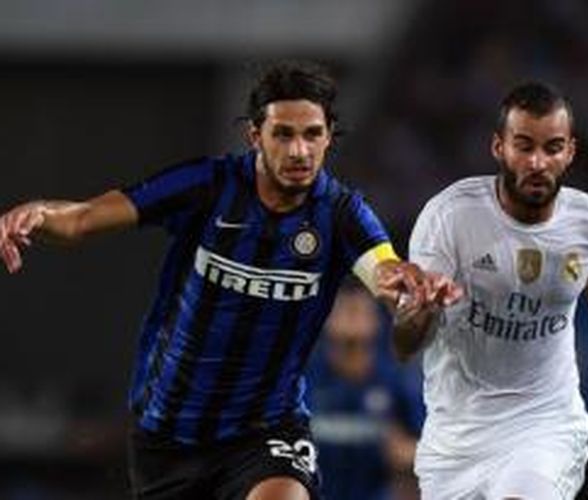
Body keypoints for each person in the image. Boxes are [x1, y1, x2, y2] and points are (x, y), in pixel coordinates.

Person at [0, 60, 457, 500]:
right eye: (284, 134)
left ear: (329, 137)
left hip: (266, 429)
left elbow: (392, 292)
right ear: (254, 135)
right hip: (168, 431)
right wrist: (38, 213)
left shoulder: (342, 216)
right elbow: (83, 219)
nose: (299, 150)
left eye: (313, 135)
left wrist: (416, 305)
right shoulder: (208, 185)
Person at [392, 82, 588, 500]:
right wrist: (423, 310)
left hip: (544, 425)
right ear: (498, 147)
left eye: (552, 148)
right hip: (455, 439)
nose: (538, 162)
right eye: (524, 146)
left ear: (570, 152)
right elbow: (406, 344)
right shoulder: (450, 218)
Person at [307, 279, 423, 500]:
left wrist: (406, 453)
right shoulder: (304, 379)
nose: (352, 315)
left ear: (376, 322)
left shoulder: (396, 381)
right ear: (326, 319)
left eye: (360, 311)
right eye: (343, 310)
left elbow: (433, 448)